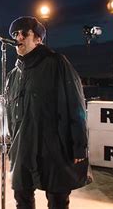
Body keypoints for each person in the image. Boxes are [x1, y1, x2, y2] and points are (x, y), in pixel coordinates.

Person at [5, 16, 90, 209]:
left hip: (54, 145)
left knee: (57, 198)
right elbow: (11, 111)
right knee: (22, 196)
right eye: (14, 34)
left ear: (38, 39)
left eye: (23, 33)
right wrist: (12, 141)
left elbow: (76, 104)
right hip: (23, 146)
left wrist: (79, 145)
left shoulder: (57, 63)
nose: (17, 37)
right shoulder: (13, 75)